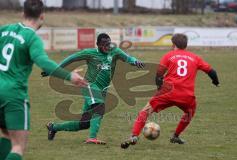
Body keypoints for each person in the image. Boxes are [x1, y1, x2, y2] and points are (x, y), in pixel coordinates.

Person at [0, 0, 87, 160]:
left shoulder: (4, 30)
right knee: (18, 146)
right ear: (42, 16)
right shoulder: (32, 38)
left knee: (6, 133)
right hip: (13, 94)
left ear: (22, 13)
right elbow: (44, 62)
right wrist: (70, 76)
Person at [121, 33, 219, 149]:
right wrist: (215, 81)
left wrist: (159, 88)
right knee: (189, 113)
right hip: (186, 96)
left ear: (173, 44)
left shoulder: (169, 56)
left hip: (167, 92)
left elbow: (158, 75)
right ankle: (176, 136)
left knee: (145, 111)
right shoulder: (195, 58)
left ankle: (134, 136)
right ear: (185, 45)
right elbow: (212, 71)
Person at [45, 33, 145, 145]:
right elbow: (72, 58)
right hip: (89, 85)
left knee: (84, 123)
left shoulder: (114, 51)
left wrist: (135, 61)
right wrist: (55, 69)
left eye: (108, 43)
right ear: (97, 45)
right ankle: (92, 138)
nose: (107, 46)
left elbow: (128, 58)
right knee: (99, 106)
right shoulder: (90, 53)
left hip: (102, 89)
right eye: (104, 44)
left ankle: (53, 127)